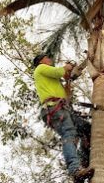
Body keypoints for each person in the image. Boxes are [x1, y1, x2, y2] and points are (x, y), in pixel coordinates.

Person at [33, 53, 94, 182]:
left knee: (87, 129)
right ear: (41, 61)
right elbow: (58, 71)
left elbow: (66, 94)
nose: (50, 59)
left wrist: (68, 80)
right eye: (47, 57)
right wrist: (70, 65)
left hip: (64, 109)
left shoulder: (53, 81)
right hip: (54, 108)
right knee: (69, 133)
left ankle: (84, 162)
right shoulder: (40, 68)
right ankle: (75, 170)